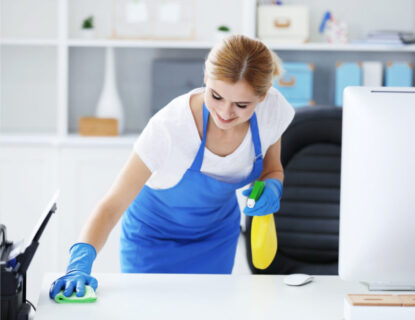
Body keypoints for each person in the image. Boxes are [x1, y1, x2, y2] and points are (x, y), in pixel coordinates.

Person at [49, 34, 295, 299]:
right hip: (153, 240)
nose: (225, 112)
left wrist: (273, 186)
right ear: (205, 78)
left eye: (241, 105)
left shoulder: (272, 111)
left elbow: (272, 169)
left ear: (263, 95)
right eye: (216, 96)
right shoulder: (169, 128)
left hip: (216, 238)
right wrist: (80, 262)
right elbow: (111, 206)